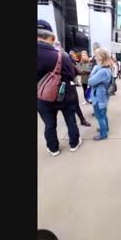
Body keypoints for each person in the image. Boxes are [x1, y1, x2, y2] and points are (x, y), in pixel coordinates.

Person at [37, 20, 82, 156]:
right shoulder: (61, 56)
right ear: (52, 38)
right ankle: (74, 143)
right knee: (70, 120)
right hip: (65, 95)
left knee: (49, 124)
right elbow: (73, 73)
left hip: (42, 96)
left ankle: (53, 148)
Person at [88, 48, 113, 141]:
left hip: (99, 97)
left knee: (100, 116)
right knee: (103, 114)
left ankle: (103, 134)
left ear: (101, 57)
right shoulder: (106, 68)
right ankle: (105, 128)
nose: (95, 57)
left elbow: (90, 81)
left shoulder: (102, 71)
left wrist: (93, 73)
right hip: (103, 96)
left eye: (96, 55)